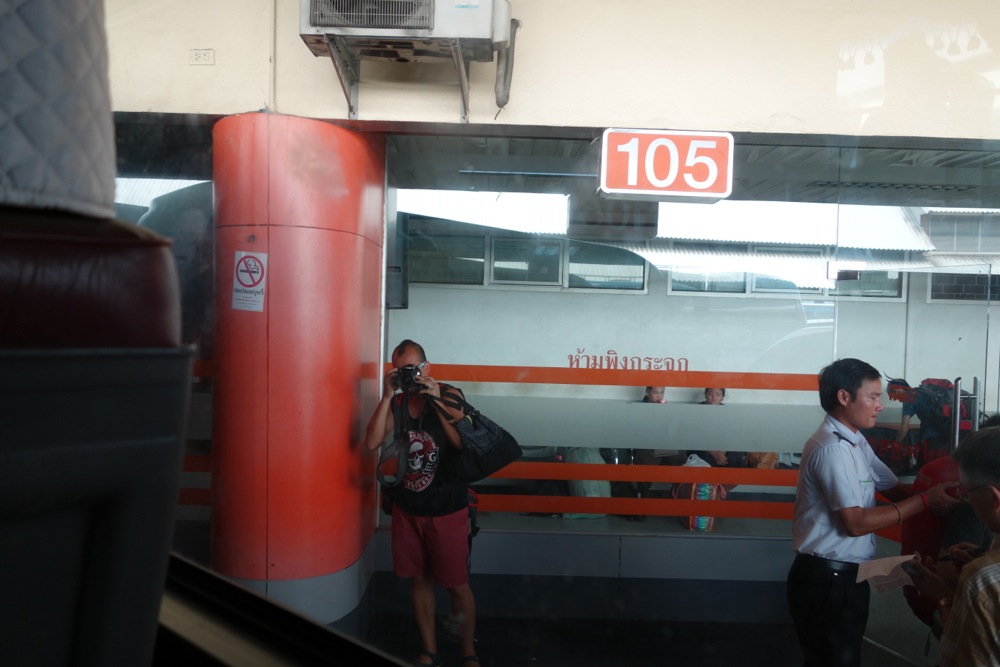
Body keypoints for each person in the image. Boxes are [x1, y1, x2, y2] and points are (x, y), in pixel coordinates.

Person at [786, 358, 958, 667]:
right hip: (827, 579)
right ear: (844, 397)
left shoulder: (855, 442)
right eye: (873, 397)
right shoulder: (833, 449)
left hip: (847, 575)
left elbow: (895, 491)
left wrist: (944, 492)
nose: (880, 405)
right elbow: (855, 523)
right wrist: (925, 501)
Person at [364, 340, 478, 667]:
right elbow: (372, 442)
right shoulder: (398, 403)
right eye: (400, 370)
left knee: (457, 586)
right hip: (408, 509)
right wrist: (387, 396)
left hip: (447, 508)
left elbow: (460, 443)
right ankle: (429, 650)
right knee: (419, 580)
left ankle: (468, 651)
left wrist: (435, 398)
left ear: (426, 368)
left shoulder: (449, 394)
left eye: (412, 369)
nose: (408, 376)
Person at [906, 426, 1000, 666]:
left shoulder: (981, 578)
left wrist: (943, 596)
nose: (967, 501)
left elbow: (963, 655)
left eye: (967, 495)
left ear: (994, 498)